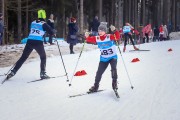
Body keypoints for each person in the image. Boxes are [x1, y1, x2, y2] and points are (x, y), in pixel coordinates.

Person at [6, 16, 55, 80]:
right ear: (44, 18)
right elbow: (51, 32)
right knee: (43, 57)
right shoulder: (44, 24)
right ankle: (43, 73)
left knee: (23, 57)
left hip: (29, 41)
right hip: (38, 42)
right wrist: (53, 28)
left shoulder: (33, 22)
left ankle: (13, 71)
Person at [85, 22, 120, 92]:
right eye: (99, 30)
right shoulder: (97, 38)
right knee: (99, 72)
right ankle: (95, 86)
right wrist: (87, 36)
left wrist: (115, 30)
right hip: (103, 59)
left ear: (105, 31)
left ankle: (114, 83)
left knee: (113, 69)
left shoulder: (109, 36)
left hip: (113, 57)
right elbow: (88, 39)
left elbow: (117, 37)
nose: (100, 32)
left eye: (102, 30)